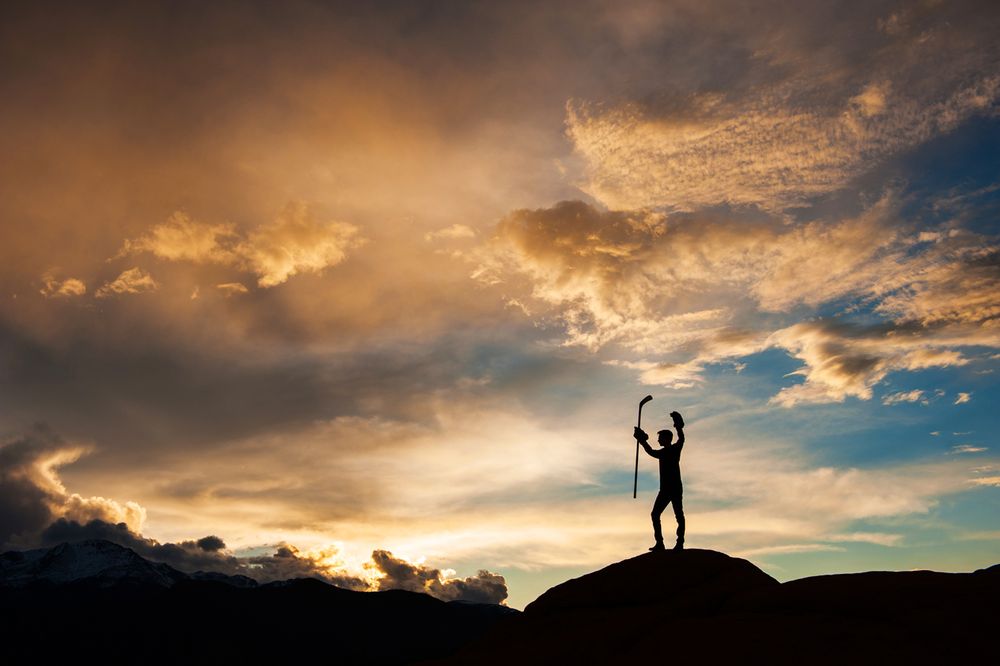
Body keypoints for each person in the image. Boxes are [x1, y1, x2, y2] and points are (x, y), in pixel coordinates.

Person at [634, 411, 685, 551]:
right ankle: (660, 543)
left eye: (660, 438)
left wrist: (678, 426)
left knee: (678, 514)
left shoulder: (674, 449)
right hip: (665, 489)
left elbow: (681, 438)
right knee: (656, 514)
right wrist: (642, 440)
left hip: (674, 488)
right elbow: (650, 451)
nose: (658, 440)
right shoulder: (663, 453)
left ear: (666, 439)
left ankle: (679, 542)